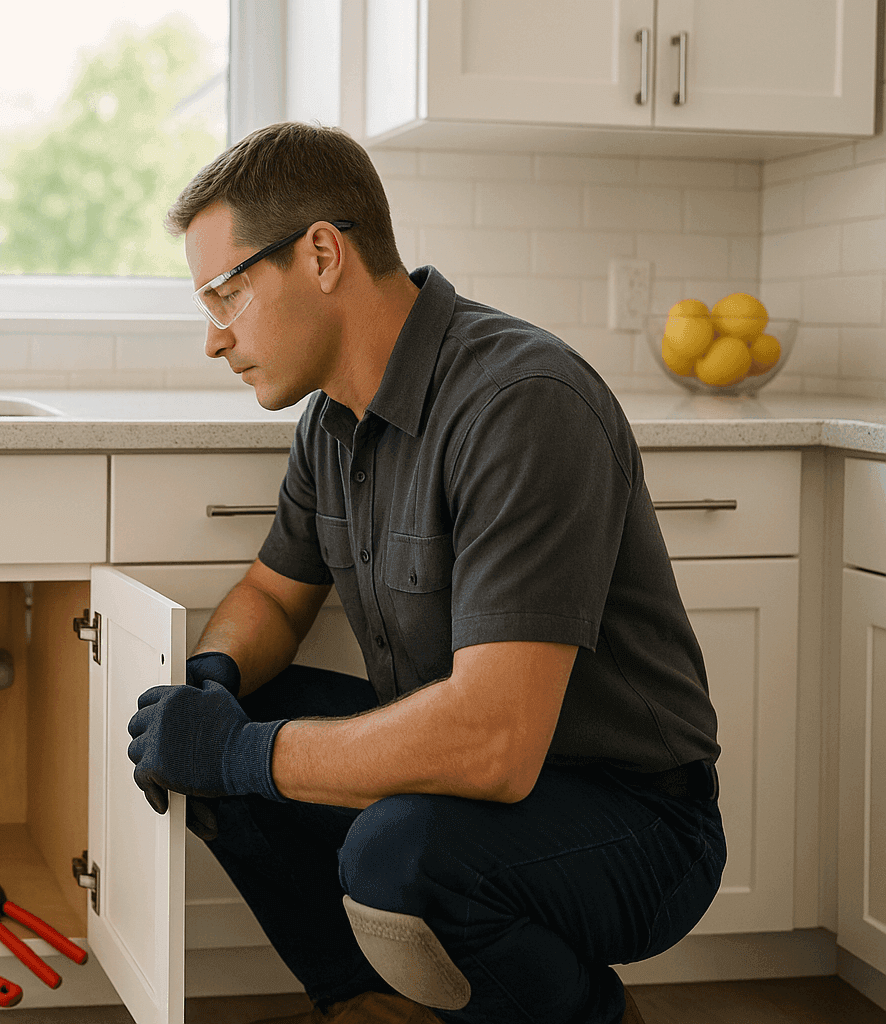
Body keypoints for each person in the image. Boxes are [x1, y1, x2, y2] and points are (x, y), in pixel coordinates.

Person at [124, 122, 726, 1024]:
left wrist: (241, 754)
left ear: (323, 253)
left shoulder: (520, 405)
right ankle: (368, 1004)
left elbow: (492, 740)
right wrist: (209, 687)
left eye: (226, 295)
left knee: (394, 853)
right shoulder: (331, 422)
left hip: (631, 818)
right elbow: (272, 600)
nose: (215, 340)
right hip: (472, 781)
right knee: (228, 719)